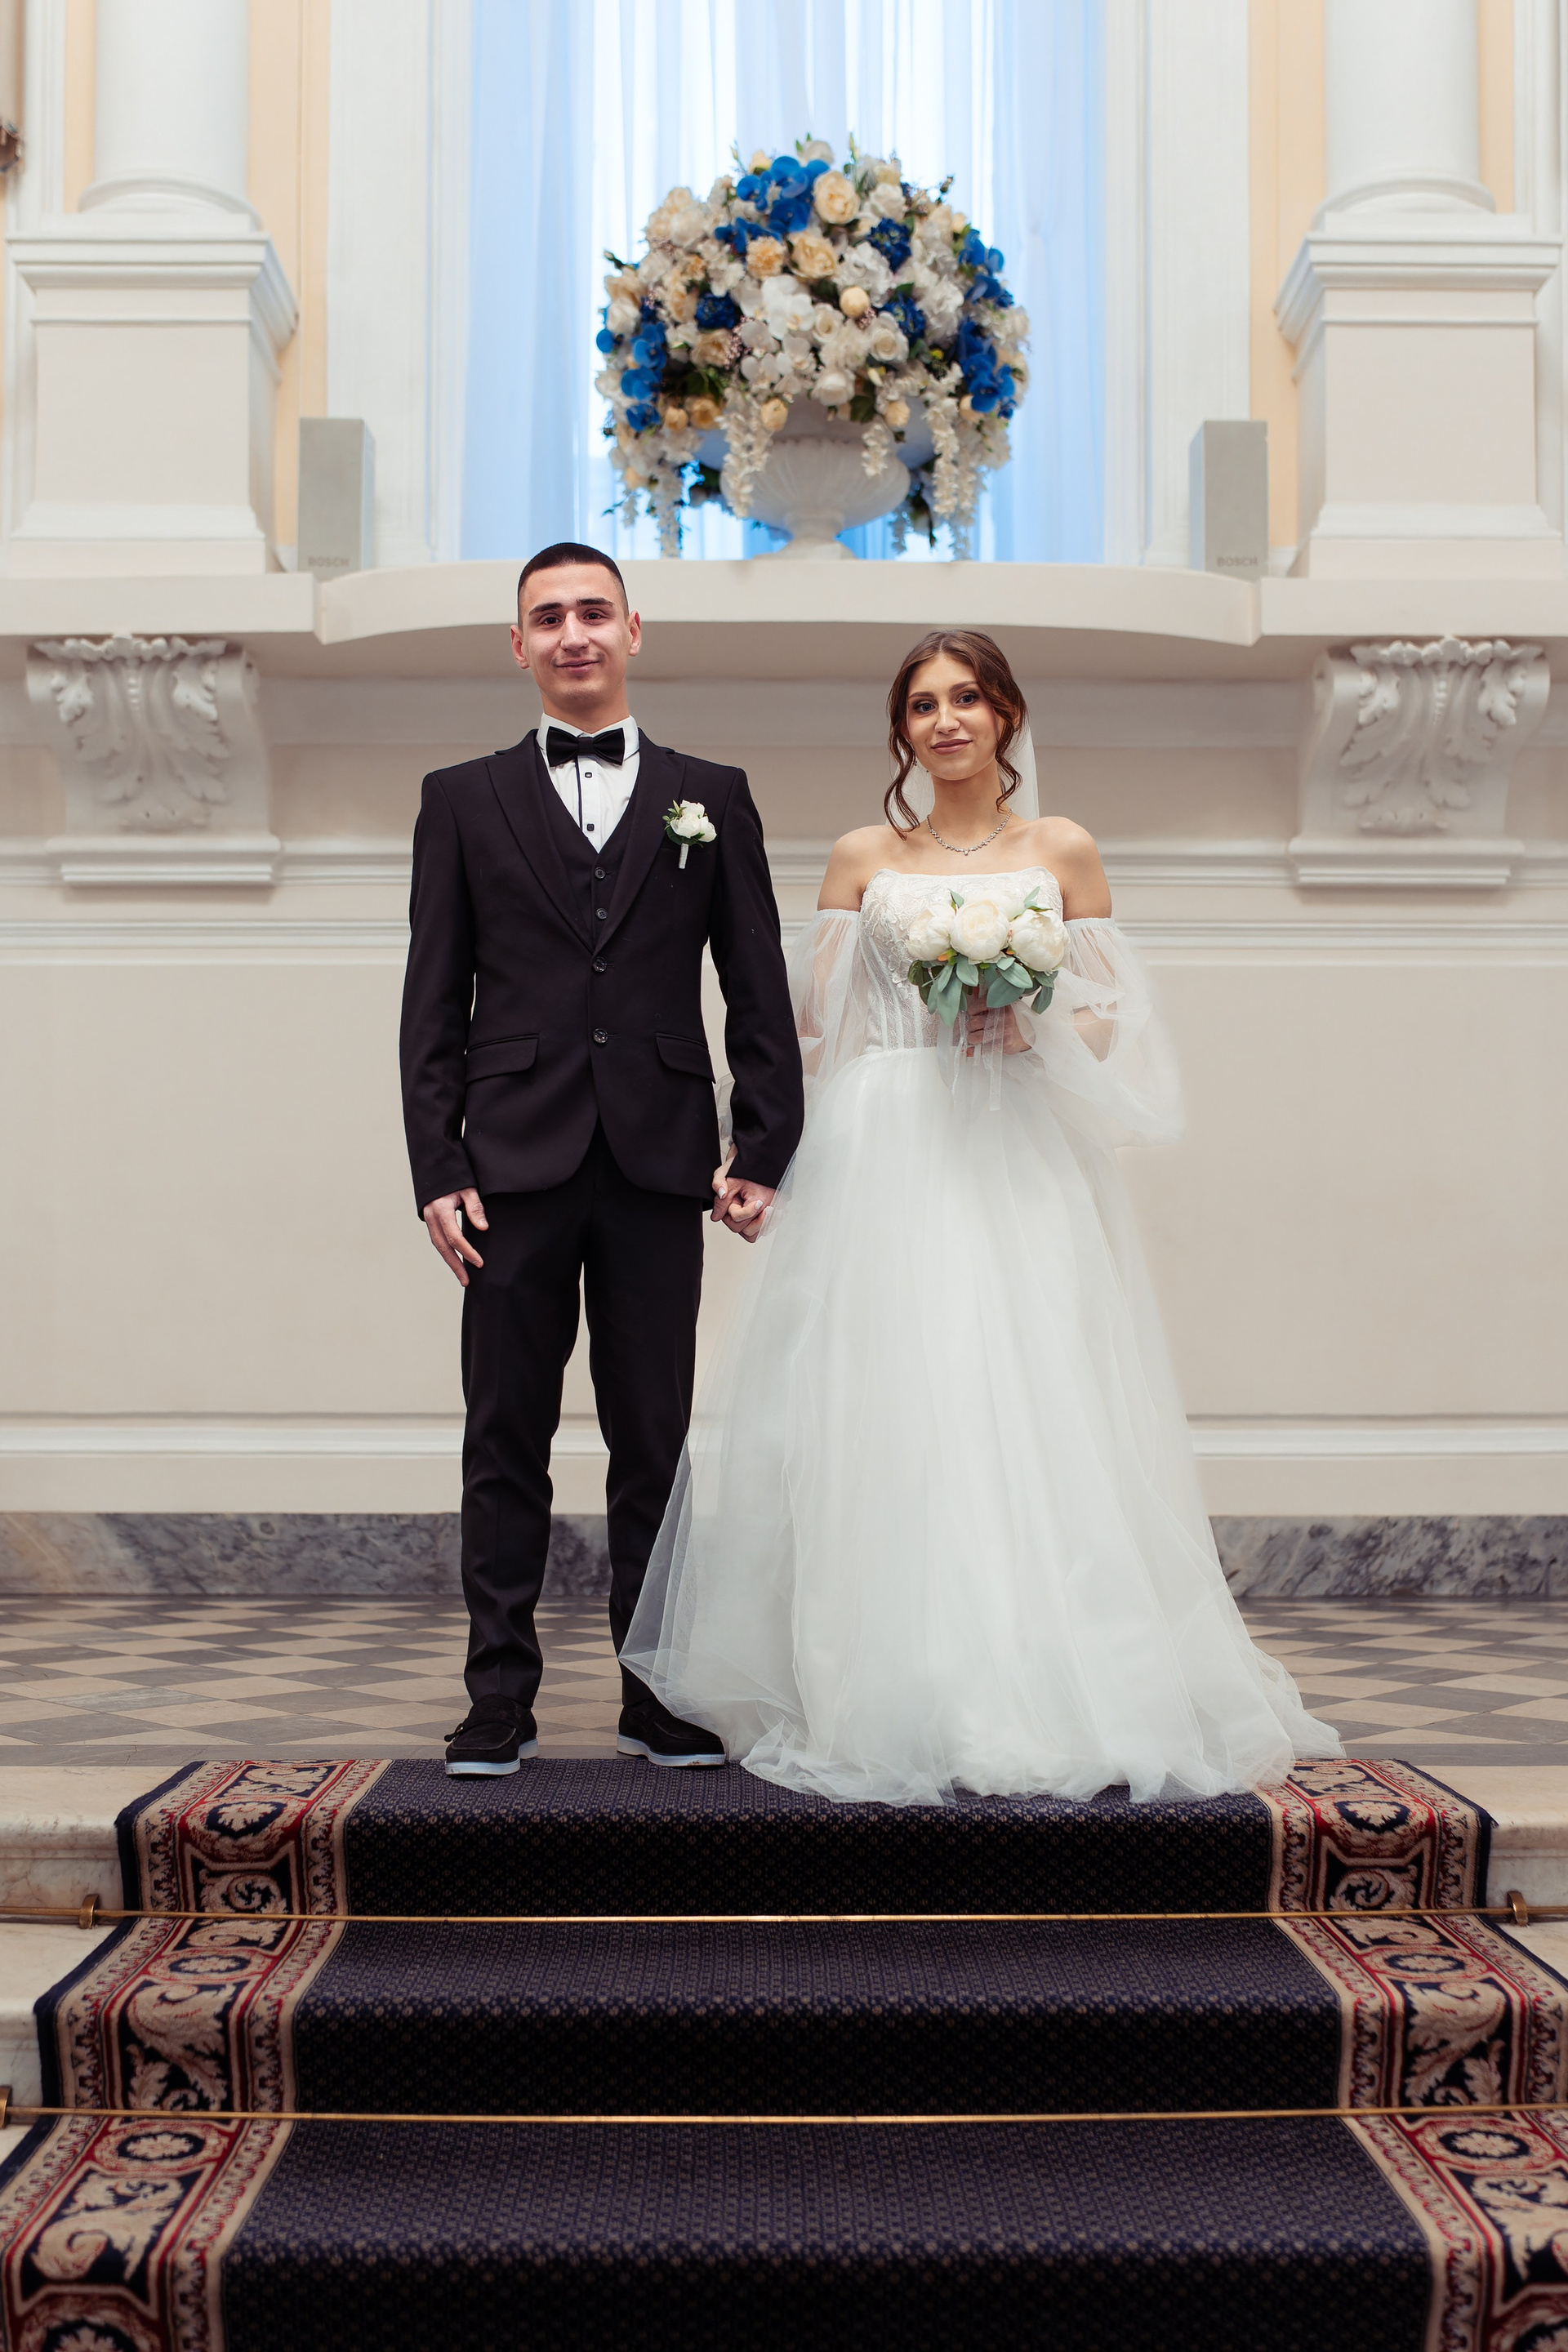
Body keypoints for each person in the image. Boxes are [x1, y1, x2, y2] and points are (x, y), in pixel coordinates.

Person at [623, 628, 1341, 1806]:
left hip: (1014, 1145)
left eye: (966, 698)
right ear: (901, 730)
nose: (946, 719)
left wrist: (1032, 1024)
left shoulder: (1063, 849)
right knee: (887, 1398)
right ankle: (882, 1684)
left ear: (1006, 713)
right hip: (886, 1145)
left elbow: (1110, 1013)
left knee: (1030, 1390)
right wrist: (763, 1157)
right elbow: (812, 1033)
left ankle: (1040, 1678)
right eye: (922, 704)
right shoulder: (862, 856)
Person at [399, 542, 804, 1775]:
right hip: (507, 1165)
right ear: (518, 646)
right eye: (547, 617)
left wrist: (764, 1144)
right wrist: (437, 1165)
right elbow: (433, 999)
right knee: (504, 1436)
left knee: (655, 1440)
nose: (572, 633)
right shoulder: (459, 798)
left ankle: (656, 1691)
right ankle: (497, 1698)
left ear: (635, 630)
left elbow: (755, 979)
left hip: (656, 1160)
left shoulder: (712, 795)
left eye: (593, 612)